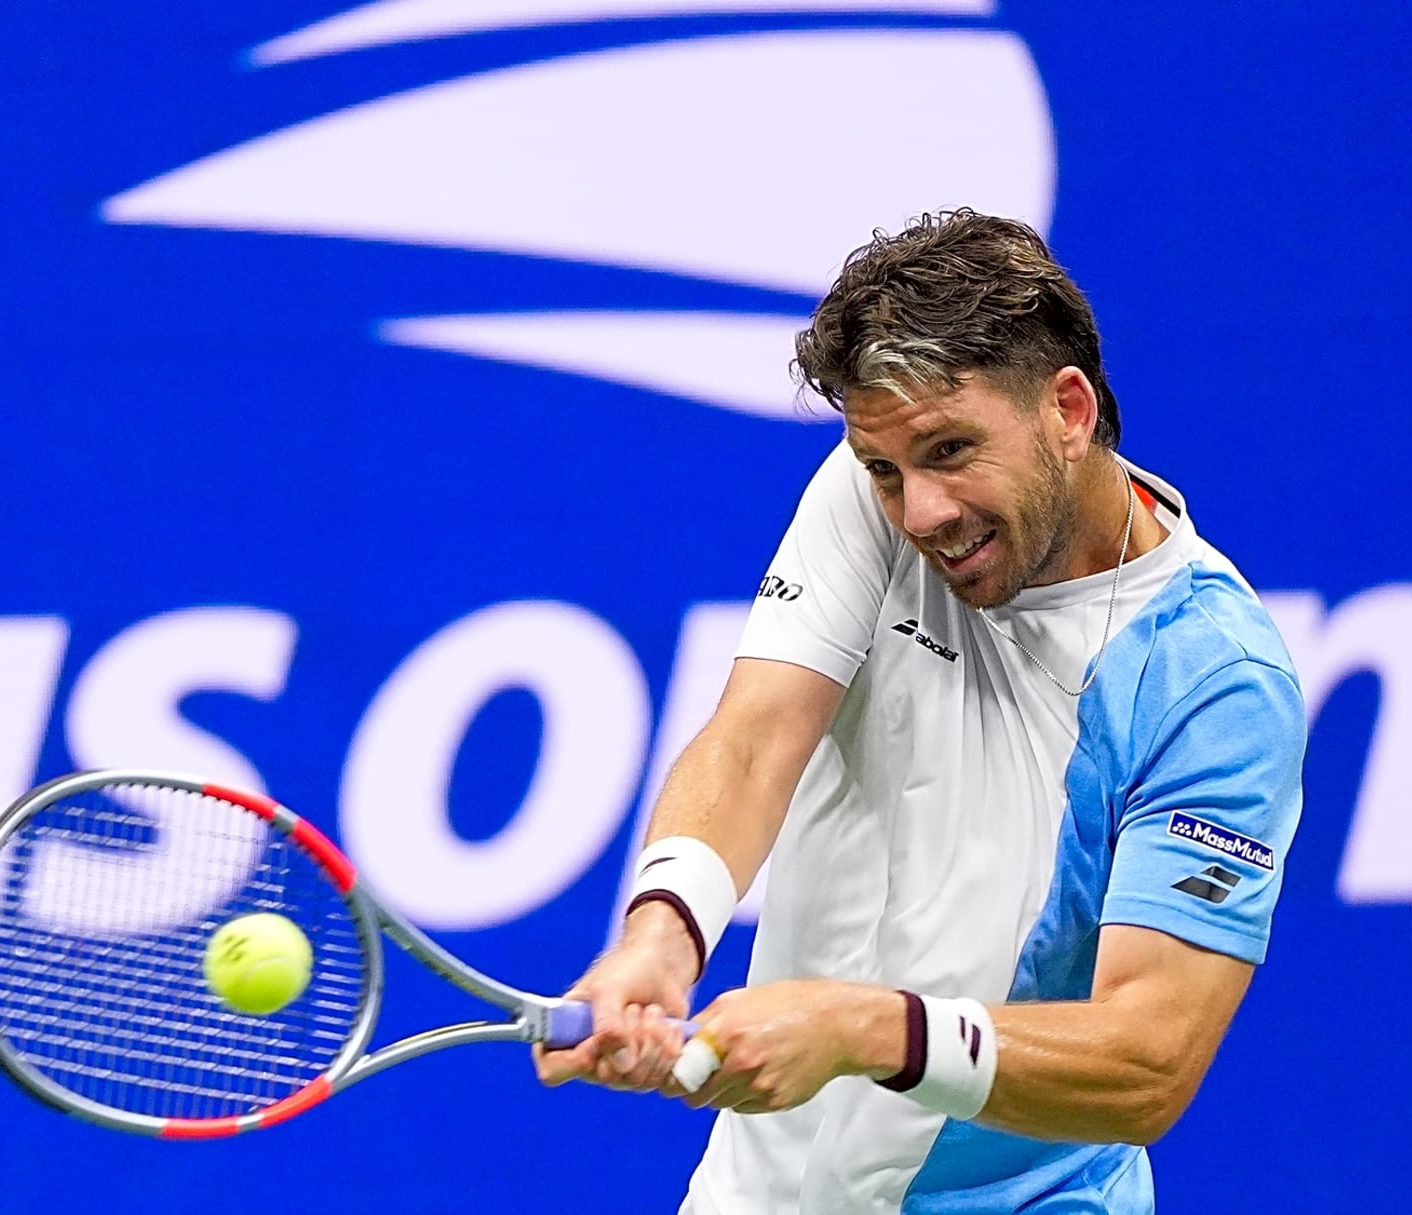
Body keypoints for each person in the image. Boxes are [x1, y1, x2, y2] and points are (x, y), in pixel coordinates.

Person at [533, 210, 1307, 1214]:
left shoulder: (1213, 681)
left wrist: (869, 1030)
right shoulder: (871, 498)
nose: (921, 512)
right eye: (886, 470)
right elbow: (754, 737)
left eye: (952, 451)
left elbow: (1151, 1062)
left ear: (1069, 411)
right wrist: (663, 933)